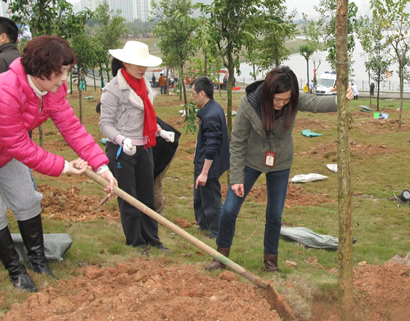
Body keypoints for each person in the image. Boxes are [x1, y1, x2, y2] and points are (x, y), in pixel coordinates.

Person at [0, 36, 116, 292]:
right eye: (60, 72)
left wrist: (101, 165)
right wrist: (64, 167)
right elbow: (21, 146)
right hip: (4, 145)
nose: (64, 78)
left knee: (27, 199)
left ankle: (37, 261)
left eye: (67, 71)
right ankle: (16, 271)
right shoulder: (3, 92)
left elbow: (72, 127)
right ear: (39, 70)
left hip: (3, 150)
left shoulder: (51, 90)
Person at [204, 66, 353, 272]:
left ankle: (270, 264)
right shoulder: (249, 104)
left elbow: (315, 102)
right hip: (251, 161)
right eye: (277, 100)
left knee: (274, 214)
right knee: (229, 209)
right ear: (267, 93)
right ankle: (221, 257)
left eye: (286, 100)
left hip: (280, 161)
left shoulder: (291, 99)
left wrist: (341, 99)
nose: (281, 104)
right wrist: (237, 177)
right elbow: (237, 142)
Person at [99, 41, 173, 252]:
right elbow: (105, 124)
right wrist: (122, 139)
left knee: (147, 196)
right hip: (123, 150)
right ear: (125, 62)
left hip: (145, 147)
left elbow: (145, 117)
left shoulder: (145, 87)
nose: (141, 68)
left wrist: (159, 131)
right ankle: (135, 241)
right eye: (136, 63)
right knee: (129, 198)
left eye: (144, 64)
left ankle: (153, 239)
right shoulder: (114, 89)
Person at [192, 76, 229, 239]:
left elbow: (211, 146)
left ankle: (217, 230)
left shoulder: (211, 115)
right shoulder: (213, 108)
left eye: (193, 94)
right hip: (204, 161)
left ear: (202, 94)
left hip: (209, 164)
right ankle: (204, 224)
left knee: (211, 198)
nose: (192, 97)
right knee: (200, 194)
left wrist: (205, 172)